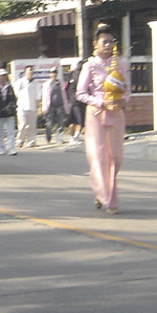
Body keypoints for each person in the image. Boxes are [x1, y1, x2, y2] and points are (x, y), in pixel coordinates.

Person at [76, 23, 130, 215]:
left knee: (115, 157)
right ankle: (107, 198)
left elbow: (127, 91)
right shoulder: (90, 65)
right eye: (104, 42)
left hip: (116, 114)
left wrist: (122, 101)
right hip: (96, 115)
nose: (108, 45)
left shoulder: (120, 64)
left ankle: (103, 192)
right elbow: (80, 93)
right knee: (99, 157)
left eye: (110, 42)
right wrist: (100, 102)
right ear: (95, 44)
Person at [0, 68, 17, 156]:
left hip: (9, 113)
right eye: (1, 76)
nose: (3, 78)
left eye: (4, 76)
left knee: (10, 131)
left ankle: (11, 148)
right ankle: (1, 148)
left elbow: (13, 99)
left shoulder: (10, 87)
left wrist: (13, 110)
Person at [14, 65, 40, 148]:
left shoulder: (36, 83)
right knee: (22, 125)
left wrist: (38, 105)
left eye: (32, 70)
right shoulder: (20, 82)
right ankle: (20, 141)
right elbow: (16, 93)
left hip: (32, 106)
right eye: (29, 70)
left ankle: (31, 141)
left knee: (32, 125)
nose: (31, 72)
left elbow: (38, 95)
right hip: (22, 106)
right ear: (25, 72)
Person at [42, 66, 69, 144]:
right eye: (52, 73)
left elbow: (65, 95)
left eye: (55, 73)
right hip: (50, 106)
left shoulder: (61, 83)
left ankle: (59, 138)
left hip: (60, 105)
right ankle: (48, 136)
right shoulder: (47, 84)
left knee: (61, 123)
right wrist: (44, 108)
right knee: (49, 123)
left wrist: (66, 107)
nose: (53, 74)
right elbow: (44, 97)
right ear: (50, 74)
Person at [66, 60, 86, 146]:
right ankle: (74, 137)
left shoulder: (72, 74)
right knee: (81, 121)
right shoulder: (79, 75)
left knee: (73, 120)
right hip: (78, 101)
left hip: (73, 100)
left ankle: (73, 138)